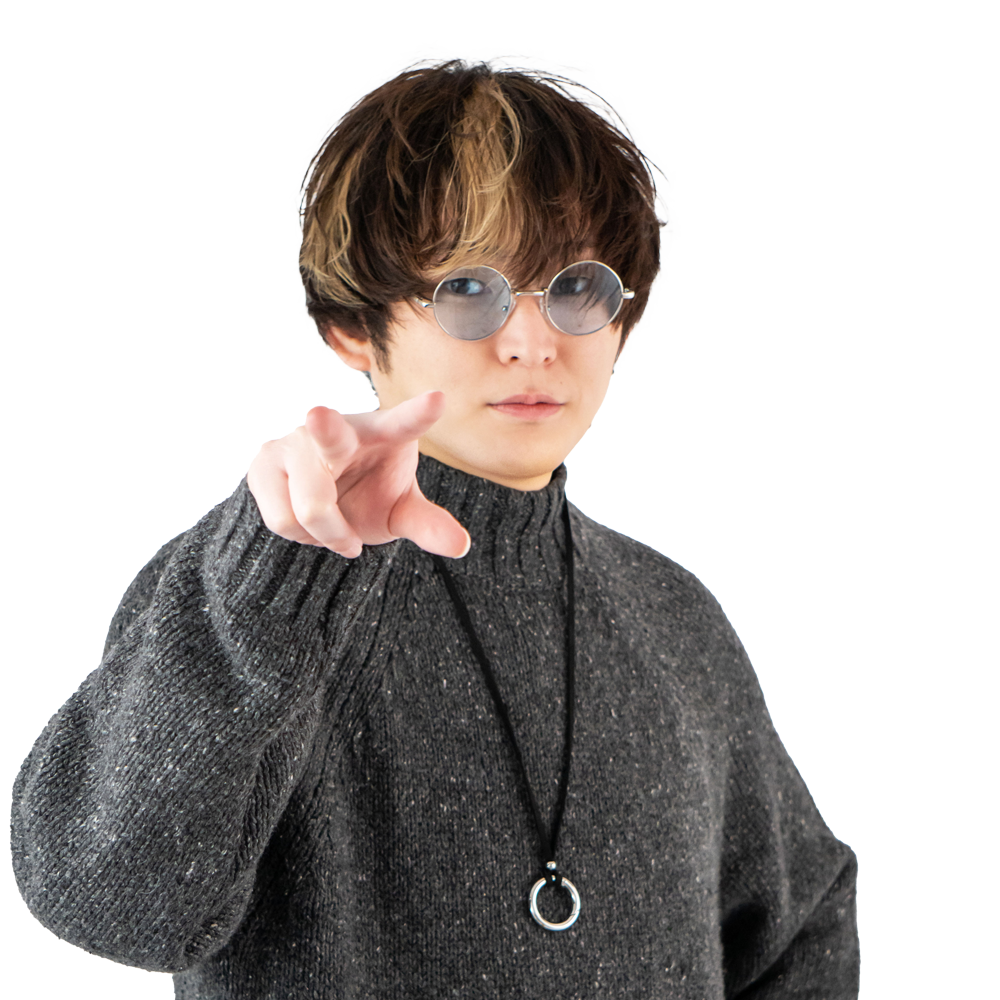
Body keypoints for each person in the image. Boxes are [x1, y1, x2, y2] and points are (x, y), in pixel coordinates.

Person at [10, 58, 859, 998]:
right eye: (469, 290)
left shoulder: (672, 614)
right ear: (352, 327)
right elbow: (108, 904)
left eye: (578, 288)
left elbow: (803, 923)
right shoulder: (247, 596)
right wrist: (275, 580)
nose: (532, 341)